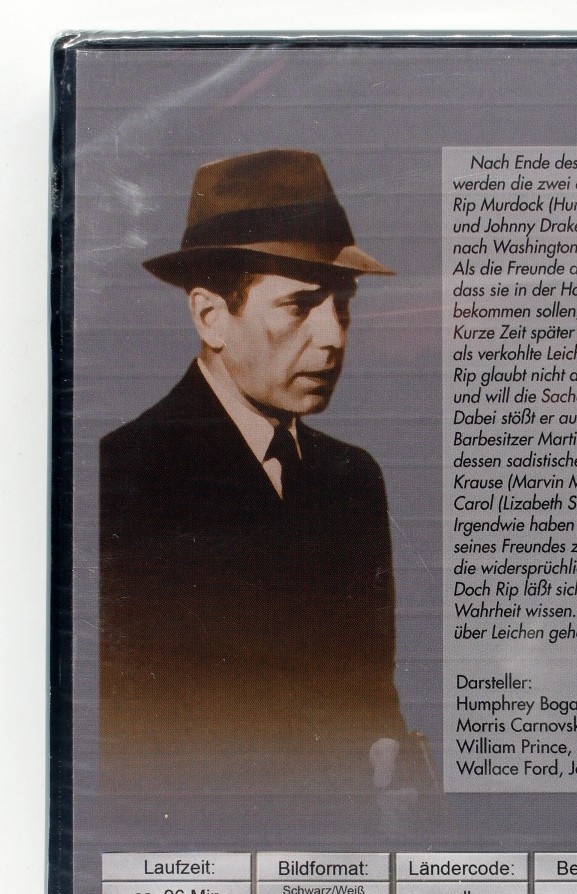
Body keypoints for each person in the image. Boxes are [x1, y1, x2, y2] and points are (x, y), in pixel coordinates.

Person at [99, 150, 408, 798]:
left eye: (342, 306)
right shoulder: (122, 479)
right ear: (210, 316)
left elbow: (373, 695)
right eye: (300, 305)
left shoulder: (354, 478)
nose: (333, 337)